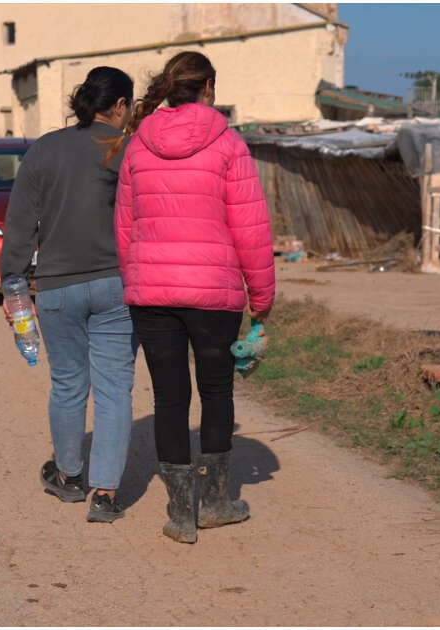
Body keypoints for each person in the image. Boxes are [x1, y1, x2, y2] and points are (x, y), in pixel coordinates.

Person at [114, 51, 275, 543]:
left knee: (168, 397)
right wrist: (262, 300)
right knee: (216, 391)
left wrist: (137, 279)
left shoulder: (138, 146)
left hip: (152, 293)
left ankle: (181, 514)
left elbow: (125, 227)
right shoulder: (228, 144)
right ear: (208, 88)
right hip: (213, 294)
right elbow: (251, 229)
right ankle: (217, 501)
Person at [0, 66, 137, 523]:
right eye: (129, 107)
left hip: (58, 287)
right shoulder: (124, 148)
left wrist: (13, 284)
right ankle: (104, 495)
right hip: (117, 284)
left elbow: (20, 225)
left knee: (68, 384)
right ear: (119, 106)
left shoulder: (44, 149)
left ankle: (70, 476)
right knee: (115, 389)